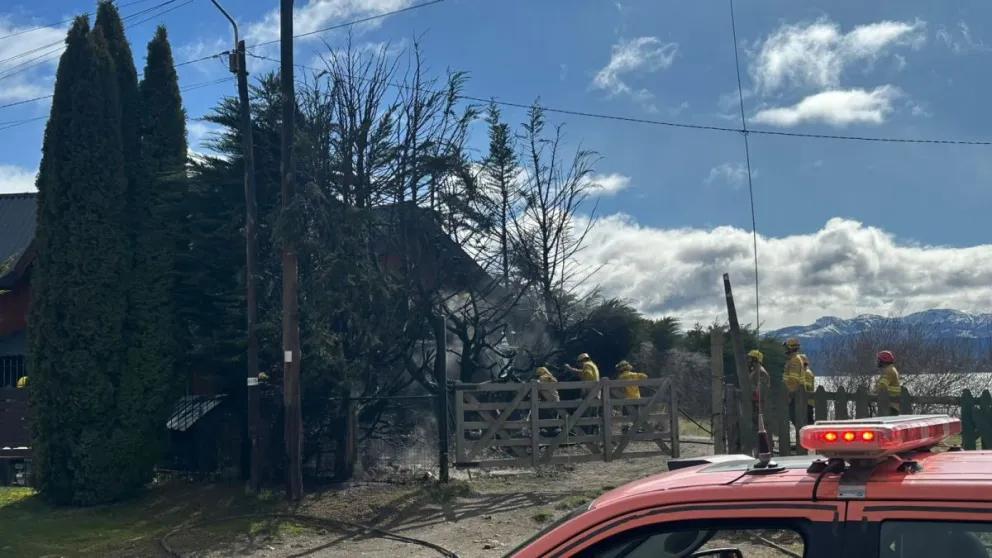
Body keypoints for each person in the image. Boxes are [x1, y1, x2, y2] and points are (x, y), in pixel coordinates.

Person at [566, 353, 601, 434]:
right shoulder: (593, 365)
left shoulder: (587, 365)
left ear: (581, 360)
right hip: (596, 393)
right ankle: (596, 434)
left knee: (586, 415)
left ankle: (586, 435)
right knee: (594, 415)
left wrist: (570, 369)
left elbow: (586, 375)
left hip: (590, 393)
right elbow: (584, 373)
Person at [782, 338, 804, 429]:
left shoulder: (794, 361)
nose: (784, 350)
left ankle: (802, 439)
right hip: (796, 394)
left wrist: (790, 396)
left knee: (795, 418)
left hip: (794, 395)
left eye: (785, 347)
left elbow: (793, 380)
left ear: (790, 348)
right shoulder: (795, 359)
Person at [747, 350, 769, 427]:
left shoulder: (761, 372)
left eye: (750, 358)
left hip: (759, 405)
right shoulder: (755, 370)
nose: (748, 360)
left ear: (755, 359)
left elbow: (762, 390)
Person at [875, 350, 901, 415]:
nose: (879, 361)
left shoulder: (889, 371)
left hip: (891, 405)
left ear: (883, 360)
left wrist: (876, 391)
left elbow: (882, 386)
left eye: (879, 359)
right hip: (893, 404)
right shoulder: (892, 369)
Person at [801, 355, 816, 424]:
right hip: (806, 401)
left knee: (809, 420)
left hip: (808, 402)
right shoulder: (804, 372)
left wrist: (800, 383)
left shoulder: (807, 373)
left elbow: (809, 385)